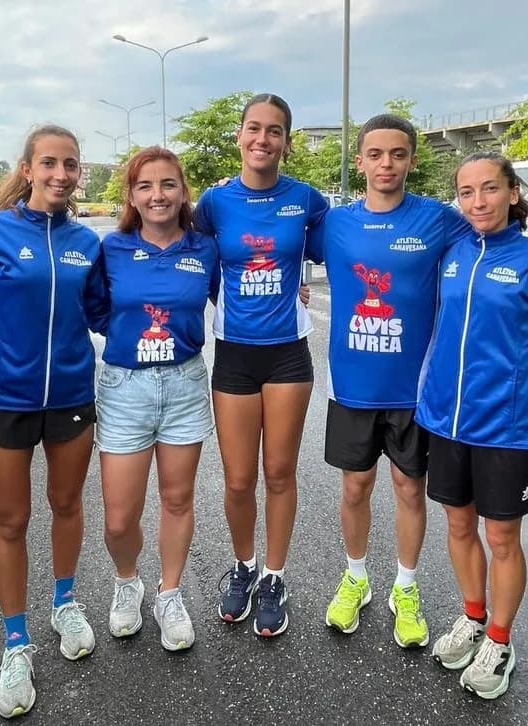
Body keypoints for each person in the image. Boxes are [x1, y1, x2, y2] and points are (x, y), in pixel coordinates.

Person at [310, 115, 528, 648]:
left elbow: (499, 235)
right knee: (354, 487)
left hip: (418, 394)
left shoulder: (439, 220)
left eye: (398, 154)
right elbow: (266, 245)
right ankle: (355, 578)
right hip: (353, 387)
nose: (386, 164)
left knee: (410, 489)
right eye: (375, 154)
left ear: (411, 160)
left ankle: (406, 588)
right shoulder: (333, 223)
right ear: (359, 161)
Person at [0, 125, 105, 719]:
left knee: (67, 504)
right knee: (11, 521)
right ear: (27, 169)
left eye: (71, 165)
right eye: (49, 163)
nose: (61, 174)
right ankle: (14, 642)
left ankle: (65, 604)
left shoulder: (85, 242)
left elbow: (106, 313)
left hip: (72, 397)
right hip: (6, 399)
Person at [415, 151, 528, 699]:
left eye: (489, 188)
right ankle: (472, 617)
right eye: (466, 192)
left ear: (513, 193)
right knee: (459, 526)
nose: (478, 201)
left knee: (502, 537)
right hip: (445, 419)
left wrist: (522, 394)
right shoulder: (452, 250)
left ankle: (501, 641)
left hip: (506, 428)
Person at [194, 93, 328, 637]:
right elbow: (193, 260)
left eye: (274, 131)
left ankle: (275, 575)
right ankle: (244, 565)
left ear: (287, 143)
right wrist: (217, 303)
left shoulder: (307, 199)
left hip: (288, 354)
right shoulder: (213, 201)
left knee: (278, 472)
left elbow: (344, 246)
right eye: (254, 128)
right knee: (237, 478)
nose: (263, 139)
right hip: (234, 354)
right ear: (239, 136)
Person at [95, 147, 219, 651]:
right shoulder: (112, 248)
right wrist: (133, 335)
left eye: (168, 184)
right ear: (131, 195)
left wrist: (294, 295)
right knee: (119, 517)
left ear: (184, 192)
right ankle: (128, 581)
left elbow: (231, 296)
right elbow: (95, 309)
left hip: (185, 385)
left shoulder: (205, 249)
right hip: (125, 388)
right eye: (145, 186)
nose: (157, 195)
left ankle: (170, 593)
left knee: (177, 499)